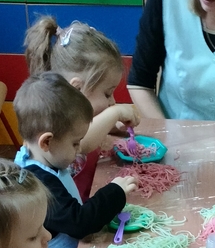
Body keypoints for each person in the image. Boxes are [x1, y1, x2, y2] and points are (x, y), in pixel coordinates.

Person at [12, 72, 136, 248]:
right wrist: (115, 191)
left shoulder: (40, 156)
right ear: (46, 142)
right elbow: (80, 222)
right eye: (75, 143)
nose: (79, 149)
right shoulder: (37, 184)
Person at [23, 16, 140, 202]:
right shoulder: (52, 118)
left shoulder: (71, 107)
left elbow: (88, 125)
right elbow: (83, 142)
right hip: (68, 213)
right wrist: (115, 113)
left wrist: (114, 126)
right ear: (77, 89)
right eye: (107, 94)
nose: (112, 101)